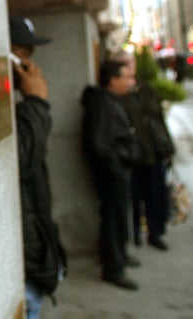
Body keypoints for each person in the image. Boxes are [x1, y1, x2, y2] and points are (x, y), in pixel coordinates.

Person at [10, 16, 66, 318]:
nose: (30, 64)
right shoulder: (23, 108)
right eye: (22, 53)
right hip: (24, 258)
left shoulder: (17, 108)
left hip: (32, 250)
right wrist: (36, 103)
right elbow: (20, 158)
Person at [81, 59, 139, 290]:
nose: (130, 82)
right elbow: (100, 145)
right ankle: (114, 267)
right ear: (113, 79)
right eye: (126, 77)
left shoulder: (111, 102)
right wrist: (117, 167)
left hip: (117, 173)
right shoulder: (103, 105)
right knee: (113, 220)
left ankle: (120, 257)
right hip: (112, 175)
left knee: (118, 217)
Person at [119, 68, 171, 251]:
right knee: (134, 197)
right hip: (134, 158)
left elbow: (159, 120)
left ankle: (155, 232)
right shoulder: (121, 99)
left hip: (153, 155)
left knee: (155, 197)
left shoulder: (147, 92)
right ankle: (136, 234)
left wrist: (167, 148)